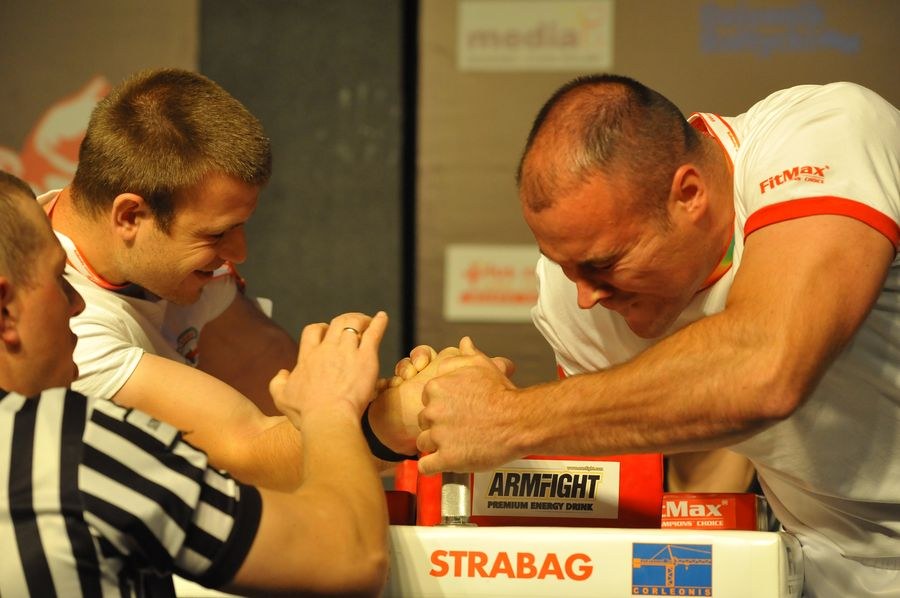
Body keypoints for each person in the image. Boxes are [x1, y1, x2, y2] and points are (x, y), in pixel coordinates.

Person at [415, 75, 899, 596]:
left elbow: (766, 369)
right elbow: (599, 498)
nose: (584, 296)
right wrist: (424, 411)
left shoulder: (823, 131)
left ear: (689, 195)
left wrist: (507, 417)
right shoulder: (572, 296)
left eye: (603, 264)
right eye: (563, 266)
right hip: (823, 563)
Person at [0, 170, 389, 596]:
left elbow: (271, 372)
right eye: (59, 278)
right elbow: (347, 554)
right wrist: (341, 410)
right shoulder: (80, 448)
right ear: (4, 311)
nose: (77, 302)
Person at [41, 67, 423, 490]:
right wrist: (407, 416)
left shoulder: (162, 257)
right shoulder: (59, 323)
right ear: (130, 216)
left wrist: (406, 395)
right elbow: (251, 448)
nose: (239, 253)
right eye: (217, 234)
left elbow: (281, 391)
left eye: (239, 226)